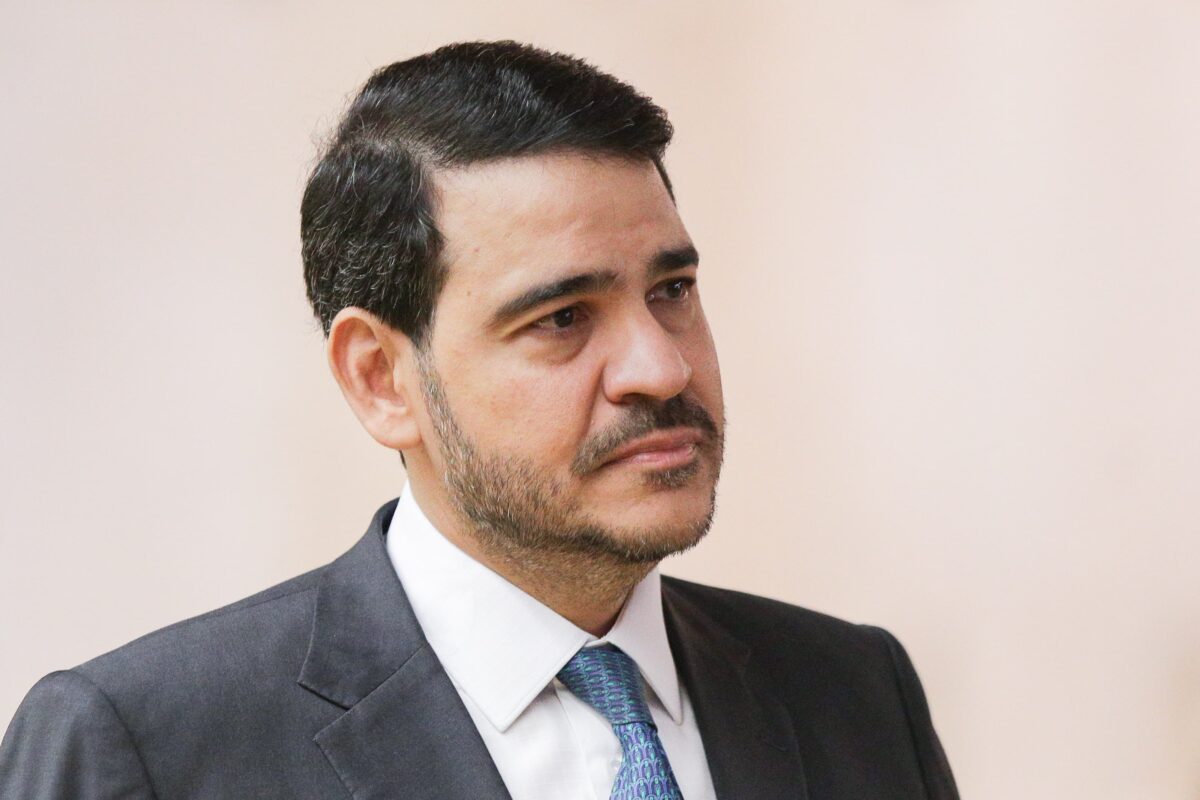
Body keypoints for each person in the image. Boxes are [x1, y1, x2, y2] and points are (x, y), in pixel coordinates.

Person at [0, 41, 959, 799]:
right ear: (382, 379)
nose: (661, 368)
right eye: (563, 318)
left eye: (671, 290)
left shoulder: (853, 691)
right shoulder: (149, 747)